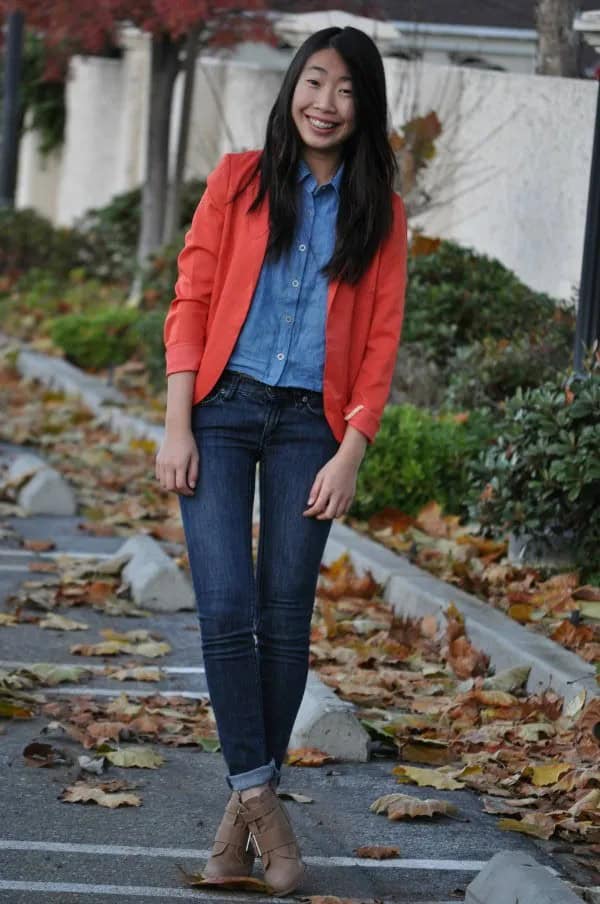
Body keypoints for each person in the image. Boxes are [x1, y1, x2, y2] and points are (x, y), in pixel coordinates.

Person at [155, 24, 407, 897]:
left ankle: (236, 831)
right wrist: (176, 422)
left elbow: (380, 342)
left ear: (364, 105)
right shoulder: (238, 180)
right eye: (312, 82)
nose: (323, 103)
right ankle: (262, 800)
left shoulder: (381, 210)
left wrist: (353, 451)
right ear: (290, 87)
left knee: (284, 618)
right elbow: (190, 296)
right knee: (227, 610)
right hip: (220, 413)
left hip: (312, 427)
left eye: (343, 89)